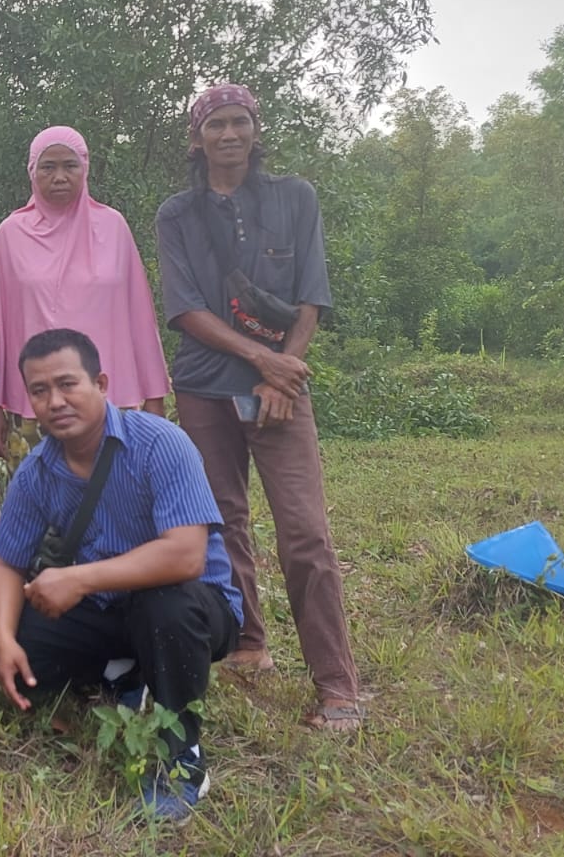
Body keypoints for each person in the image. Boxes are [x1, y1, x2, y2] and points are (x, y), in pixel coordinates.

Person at [0, 328, 241, 822]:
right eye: (40, 390)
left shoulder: (160, 444)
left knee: (165, 606)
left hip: (192, 607)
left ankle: (182, 757)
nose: (55, 401)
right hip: (104, 608)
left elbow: (186, 556)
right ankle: (125, 671)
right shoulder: (37, 471)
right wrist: (5, 639)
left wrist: (78, 580)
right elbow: (7, 562)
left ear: (101, 383)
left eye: (68, 384)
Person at [154, 84, 363, 730]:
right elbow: (185, 309)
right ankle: (249, 643)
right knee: (221, 521)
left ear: (255, 129)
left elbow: (312, 295)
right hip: (204, 387)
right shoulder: (177, 214)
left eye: (238, 121)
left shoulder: (294, 198)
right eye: (215, 124)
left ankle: (337, 686)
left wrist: (281, 374)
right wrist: (261, 360)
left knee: (305, 532)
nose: (228, 134)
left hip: (279, 392)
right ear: (197, 138)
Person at [0, 126, 170, 458]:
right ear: (32, 171)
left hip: (109, 399)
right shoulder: (11, 234)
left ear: (84, 167)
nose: (59, 177)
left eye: (70, 165)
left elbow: (140, 316)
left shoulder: (113, 227)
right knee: (40, 487)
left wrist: (155, 395)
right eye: (48, 167)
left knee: (116, 487)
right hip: (35, 403)